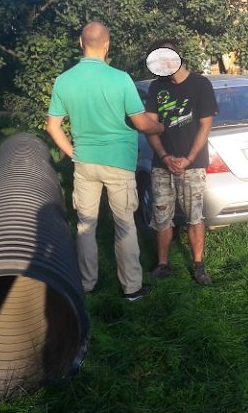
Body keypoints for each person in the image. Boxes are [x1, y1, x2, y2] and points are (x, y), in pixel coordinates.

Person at [46, 21, 163, 301]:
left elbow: (53, 127)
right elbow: (139, 122)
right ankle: (131, 288)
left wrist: (72, 152)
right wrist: (159, 128)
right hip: (119, 163)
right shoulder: (120, 79)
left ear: (80, 43)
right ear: (108, 45)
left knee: (86, 226)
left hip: (85, 163)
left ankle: (87, 283)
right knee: (124, 224)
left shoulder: (64, 81)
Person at [144, 40, 218, 285]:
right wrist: (165, 157)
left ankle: (198, 265)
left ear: (179, 57)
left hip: (193, 165)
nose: (164, 64)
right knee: (161, 215)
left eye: (168, 58)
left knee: (194, 216)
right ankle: (163, 264)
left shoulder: (201, 85)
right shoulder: (156, 87)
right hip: (161, 165)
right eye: (159, 60)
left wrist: (188, 159)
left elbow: (205, 125)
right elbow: (150, 126)